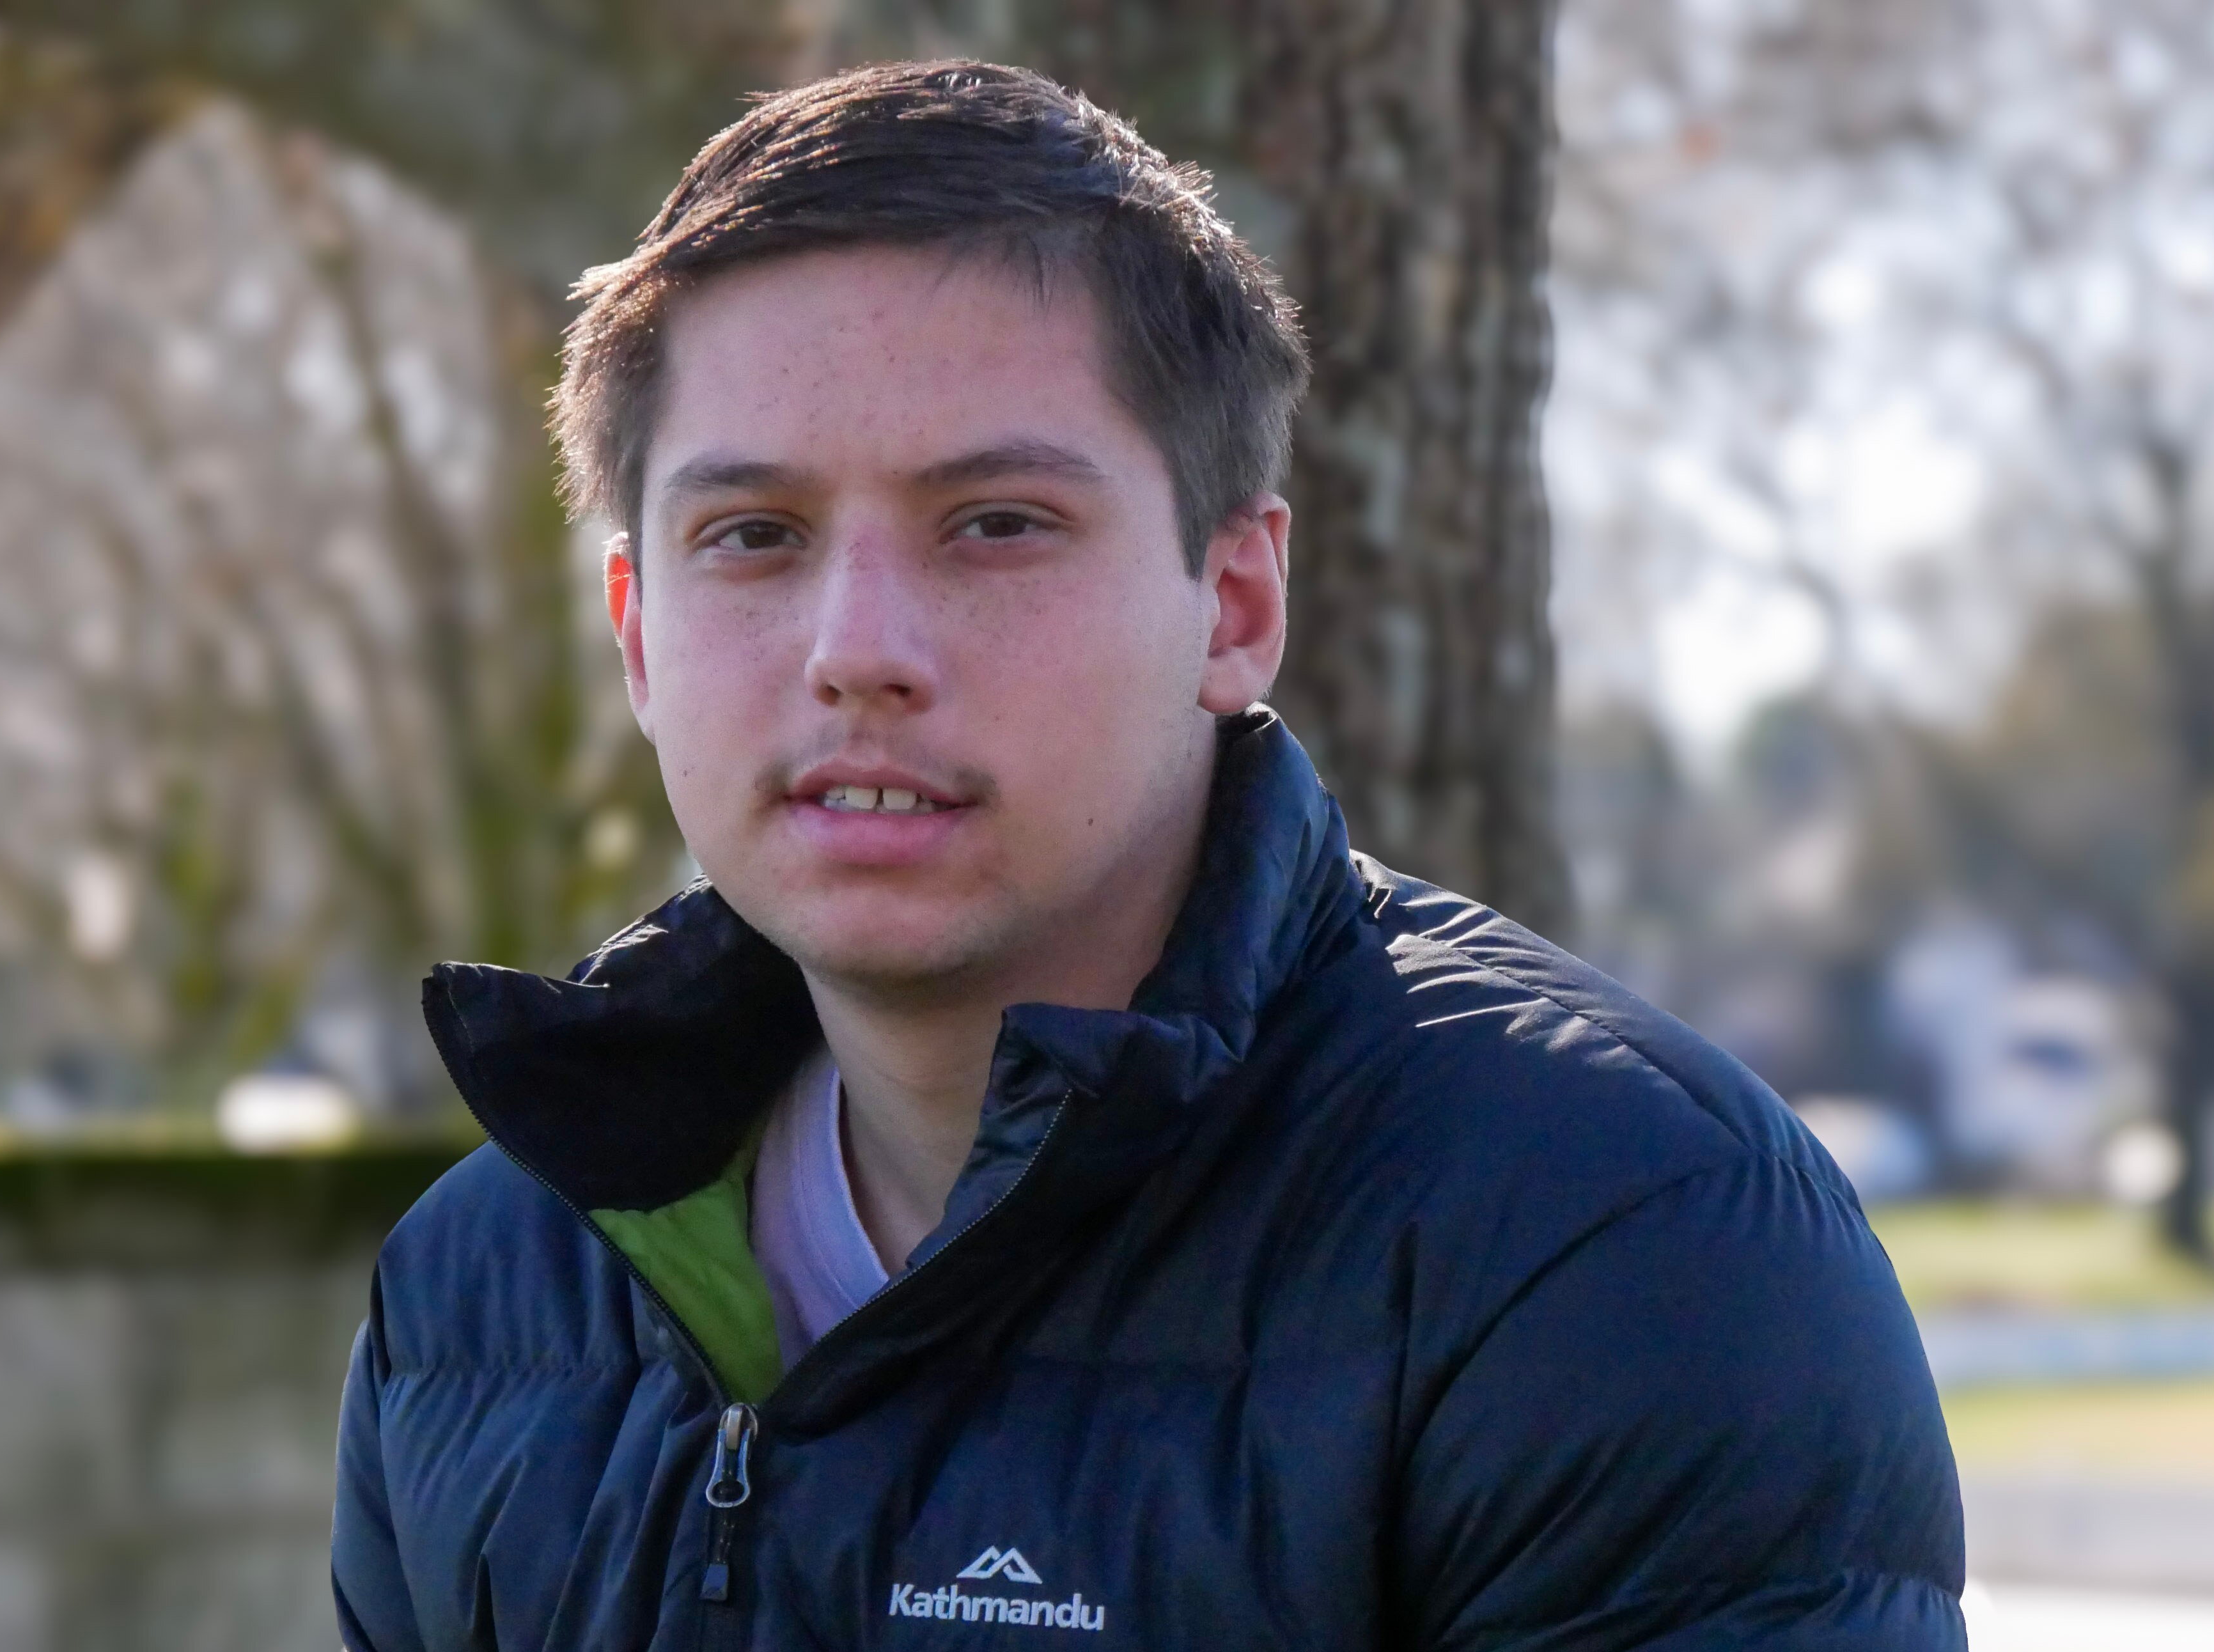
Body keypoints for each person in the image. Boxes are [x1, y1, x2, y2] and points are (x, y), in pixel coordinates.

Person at [332, 59, 1964, 1650]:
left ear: (1234, 604)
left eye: (996, 523)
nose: (857, 650)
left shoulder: (1623, 1253)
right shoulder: (486, 1291)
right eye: (752, 536)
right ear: (636, 631)